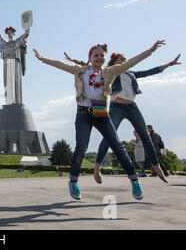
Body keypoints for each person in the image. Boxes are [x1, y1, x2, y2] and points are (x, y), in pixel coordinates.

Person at [32, 40, 166, 201]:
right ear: (89, 58)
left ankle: (135, 180)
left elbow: (131, 62)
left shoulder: (110, 71)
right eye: (96, 55)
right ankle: (73, 181)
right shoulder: (80, 70)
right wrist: (43, 59)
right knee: (81, 147)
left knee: (118, 146)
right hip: (84, 114)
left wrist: (150, 50)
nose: (99, 58)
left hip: (102, 114)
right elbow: (61, 65)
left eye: (102, 55)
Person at [64, 51, 180, 184]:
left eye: (125, 59)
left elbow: (149, 71)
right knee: (109, 138)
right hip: (116, 107)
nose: (124, 61)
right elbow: (90, 67)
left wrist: (170, 64)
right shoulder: (111, 72)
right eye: (121, 59)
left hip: (132, 107)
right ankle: (97, 167)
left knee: (145, 135)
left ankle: (156, 166)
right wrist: (75, 60)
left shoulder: (131, 74)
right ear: (114, 61)